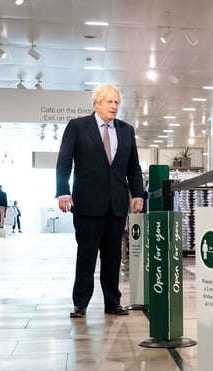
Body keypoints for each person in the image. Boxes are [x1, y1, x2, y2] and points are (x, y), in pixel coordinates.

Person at [56, 83, 144, 318]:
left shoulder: (126, 130)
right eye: (109, 102)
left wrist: (138, 193)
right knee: (86, 254)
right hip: (86, 203)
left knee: (113, 256)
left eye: (117, 102)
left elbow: (133, 167)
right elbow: (64, 162)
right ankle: (81, 303)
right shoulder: (77, 127)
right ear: (96, 103)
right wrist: (62, 191)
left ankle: (112, 302)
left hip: (116, 204)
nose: (114, 106)